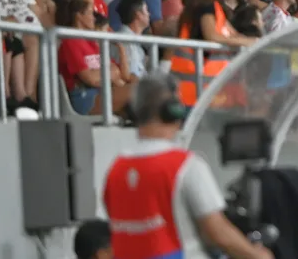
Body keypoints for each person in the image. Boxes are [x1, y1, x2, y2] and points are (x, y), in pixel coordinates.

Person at [102, 73, 271, 259]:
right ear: (172, 110)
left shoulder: (116, 169)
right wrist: (258, 256)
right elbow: (219, 234)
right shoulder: (185, 165)